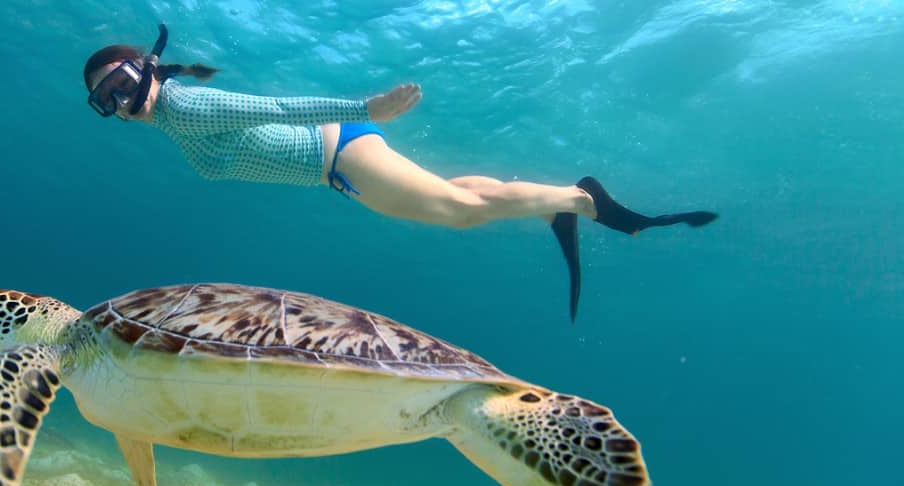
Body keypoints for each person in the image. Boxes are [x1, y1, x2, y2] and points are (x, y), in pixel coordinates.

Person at [83, 25, 717, 320]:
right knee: (461, 197)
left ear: (145, 68)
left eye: (117, 83)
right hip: (338, 159)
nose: (117, 102)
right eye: (102, 100)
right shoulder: (173, 118)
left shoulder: (184, 105)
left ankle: (581, 202)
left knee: (460, 214)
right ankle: (563, 202)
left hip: (337, 154)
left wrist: (367, 107)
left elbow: (275, 107)